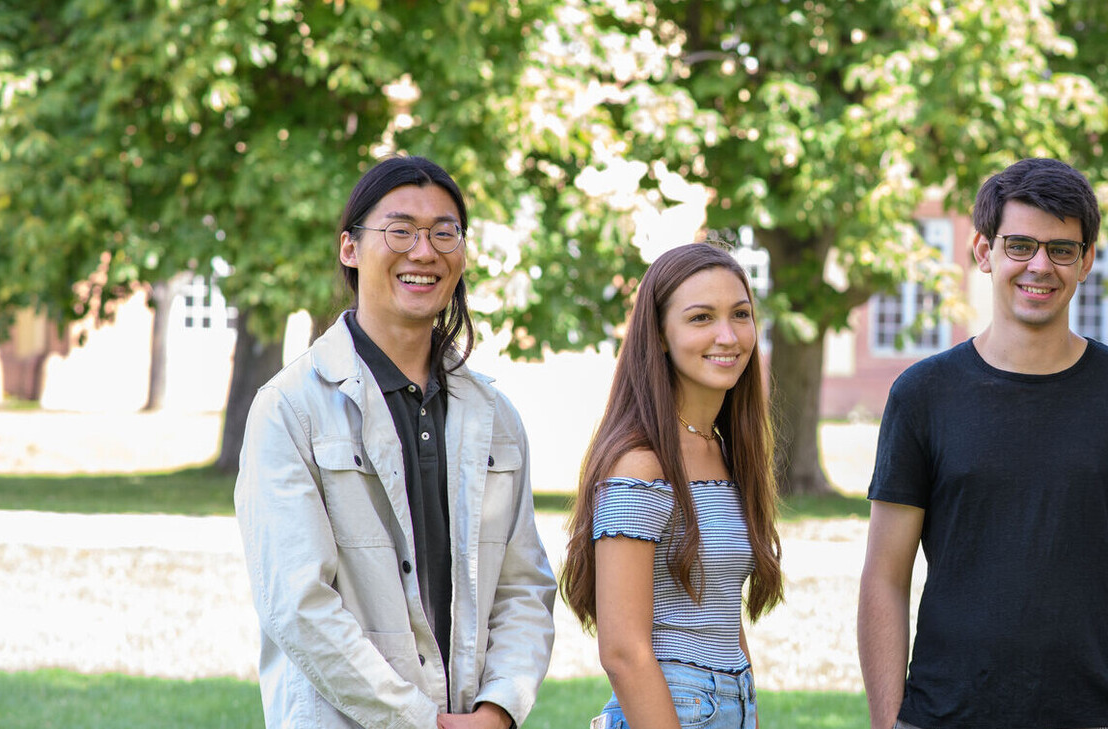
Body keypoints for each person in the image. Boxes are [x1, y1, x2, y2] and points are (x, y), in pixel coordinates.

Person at [858, 158, 1108, 729]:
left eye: (1062, 249)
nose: (1040, 265)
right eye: (1019, 245)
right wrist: (890, 723)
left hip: (1101, 715)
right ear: (984, 252)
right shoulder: (923, 393)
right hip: (946, 715)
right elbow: (885, 575)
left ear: (1087, 260)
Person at [236, 155, 556, 729]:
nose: (423, 251)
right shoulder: (290, 410)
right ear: (350, 248)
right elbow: (298, 604)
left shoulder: (496, 416)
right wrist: (417, 719)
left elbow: (524, 588)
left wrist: (498, 709)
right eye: (400, 230)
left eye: (444, 232)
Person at [560, 242, 784, 729]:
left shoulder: (724, 453)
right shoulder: (641, 465)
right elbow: (622, 651)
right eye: (701, 318)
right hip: (670, 709)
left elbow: (722, 612)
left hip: (731, 704)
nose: (728, 335)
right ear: (659, 335)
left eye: (740, 315)